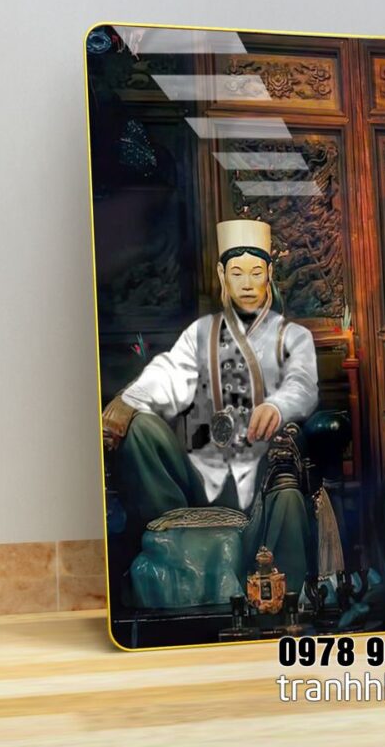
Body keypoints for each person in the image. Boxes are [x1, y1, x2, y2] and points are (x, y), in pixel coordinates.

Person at [101, 219, 320, 592]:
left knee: (285, 493)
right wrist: (126, 402)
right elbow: (168, 374)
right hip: (198, 474)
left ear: (270, 274)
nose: (247, 283)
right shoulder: (200, 334)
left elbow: (302, 386)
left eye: (256, 273)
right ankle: (172, 543)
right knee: (140, 429)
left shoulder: (292, 337)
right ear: (222, 276)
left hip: (258, 474)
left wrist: (276, 407)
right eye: (237, 273)